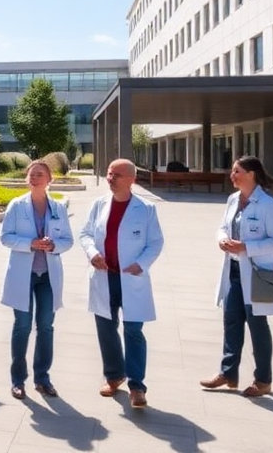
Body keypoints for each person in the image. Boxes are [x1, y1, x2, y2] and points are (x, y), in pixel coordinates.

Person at [201, 155, 273, 399]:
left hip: (256, 273)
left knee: (257, 326)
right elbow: (222, 227)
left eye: (236, 171)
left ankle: (263, 380)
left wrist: (246, 247)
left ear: (251, 174)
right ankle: (228, 373)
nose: (232, 176)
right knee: (231, 322)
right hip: (233, 271)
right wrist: (222, 239)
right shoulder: (232, 200)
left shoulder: (267, 205)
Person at [78, 158, 164, 408]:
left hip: (131, 277)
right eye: (109, 173)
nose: (110, 178)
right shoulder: (99, 205)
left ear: (131, 179)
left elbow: (155, 242)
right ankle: (114, 376)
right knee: (106, 328)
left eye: (116, 174)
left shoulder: (146, 209)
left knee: (133, 331)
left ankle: (137, 386)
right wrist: (93, 253)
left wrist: (142, 264)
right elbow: (85, 234)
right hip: (105, 276)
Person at [0, 159, 74, 400]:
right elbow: (6, 237)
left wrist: (53, 245)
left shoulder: (59, 208)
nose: (34, 178)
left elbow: (68, 241)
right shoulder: (16, 205)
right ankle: (18, 380)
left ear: (49, 179)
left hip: (48, 276)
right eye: (31, 174)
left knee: (45, 326)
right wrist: (30, 244)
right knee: (22, 326)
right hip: (24, 273)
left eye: (39, 174)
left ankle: (42, 378)